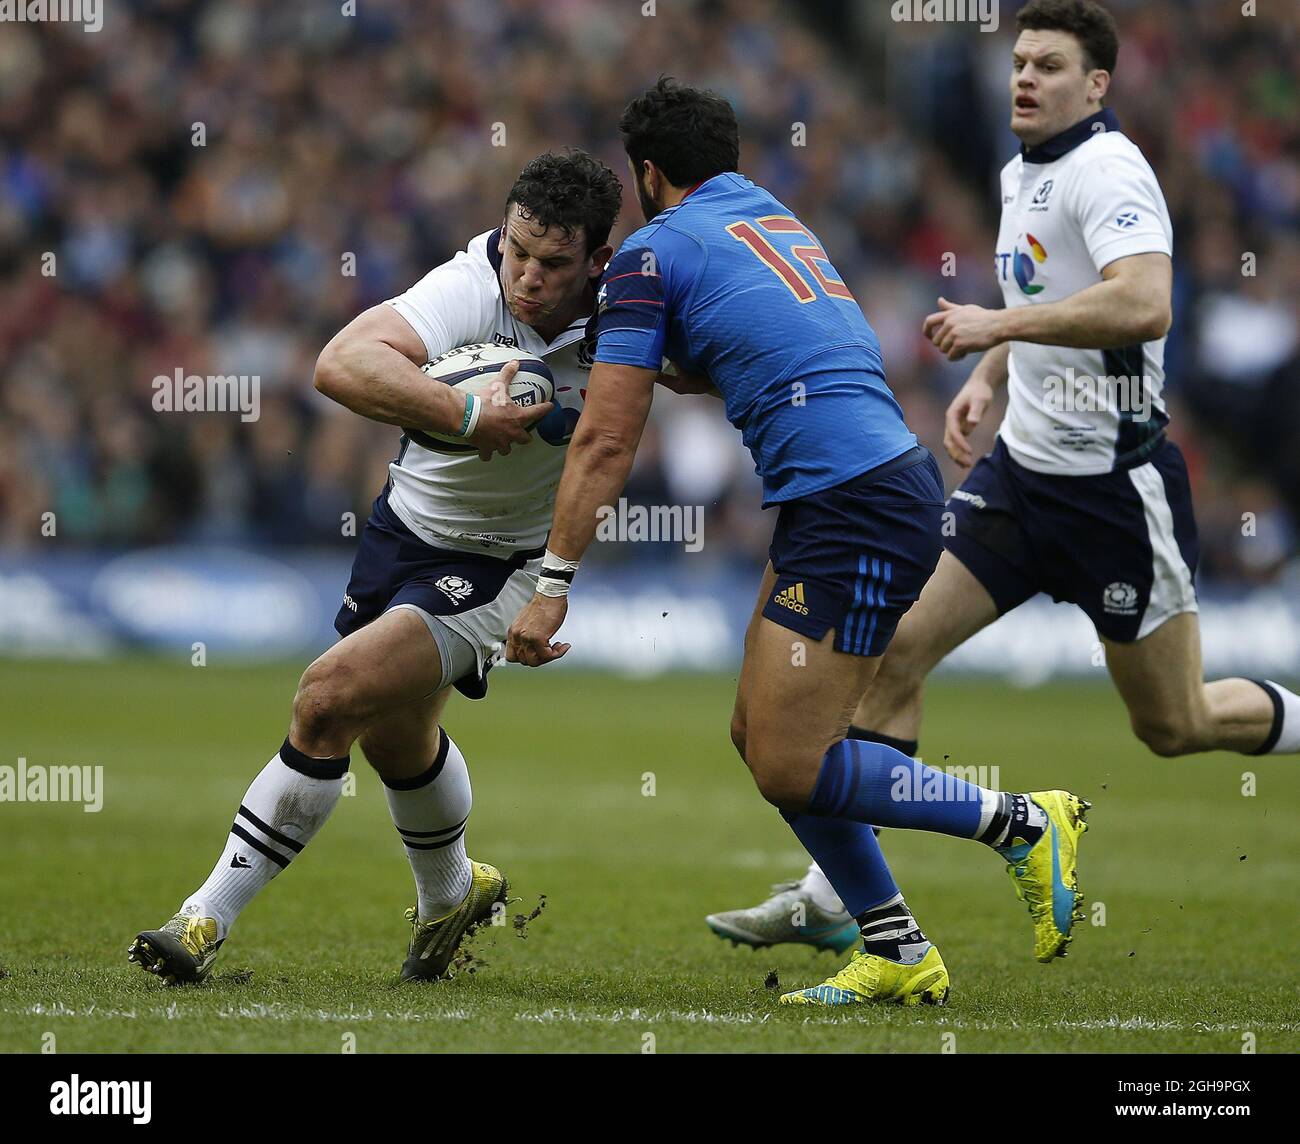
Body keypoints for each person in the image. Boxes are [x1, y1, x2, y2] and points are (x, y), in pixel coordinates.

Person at [708, 0, 1300, 951]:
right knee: (892, 652)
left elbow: (1145, 303)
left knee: (1175, 723)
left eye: (1050, 66)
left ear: (1097, 84)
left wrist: (996, 331)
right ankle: (840, 902)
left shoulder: (1110, 171)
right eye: (1020, 61)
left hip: (1116, 490)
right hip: (1021, 476)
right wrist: (991, 376)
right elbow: (1045, 290)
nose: (1024, 78)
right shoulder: (1023, 167)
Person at [507, 79, 1089, 1007]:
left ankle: (1021, 823)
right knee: (761, 735)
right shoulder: (767, 217)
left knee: (789, 758)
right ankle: (896, 949)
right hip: (856, 493)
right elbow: (737, 350)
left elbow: (608, 440)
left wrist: (554, 581)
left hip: (855, 502)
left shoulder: (652, 253)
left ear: (647, 174)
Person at [129, 151, 623, 984]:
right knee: (398, 737)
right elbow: (340, 364)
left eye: (554, 263)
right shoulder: (469, 281)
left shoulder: (627, 318)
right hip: (401, 531)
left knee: (327, 698)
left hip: (501, 564)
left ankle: (202, 919)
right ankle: (453, 894)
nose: (528, 277)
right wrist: (470, 413)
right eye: (517, 251)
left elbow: (699, 377)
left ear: (596, 263)